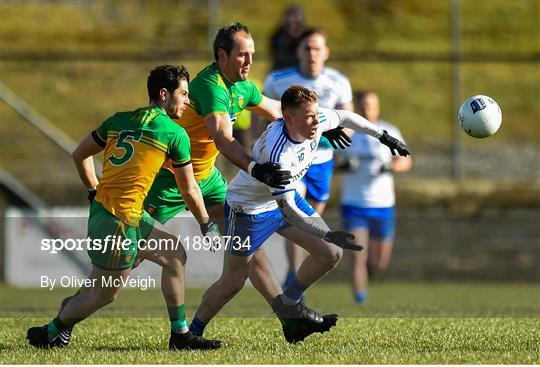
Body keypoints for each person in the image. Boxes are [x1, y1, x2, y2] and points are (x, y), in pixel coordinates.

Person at [143, 24, 349, 342]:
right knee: (120, 265)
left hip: (208, 180)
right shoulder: (211, 87)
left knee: (247, 258)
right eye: (242, 54)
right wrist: (257, 169)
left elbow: (280, 110)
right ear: (222, 56)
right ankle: (63, 320)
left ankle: (287, 318)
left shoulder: (243, 87)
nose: (249, 61)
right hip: (169, 180)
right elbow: (224, 140)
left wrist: (318, 119)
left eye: (252, 54)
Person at [187, 85, 409, 344]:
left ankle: (289, 303)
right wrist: (327, 233)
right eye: (308, 117)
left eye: (316, 114)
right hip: (249, 211)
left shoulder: (314, 120)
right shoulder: (278, 154)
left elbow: (347, 117)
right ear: (288, 119)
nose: (316, 121)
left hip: (285, 200)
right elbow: (289, 211)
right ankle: (190, 333)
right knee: (233, 281)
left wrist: (382, 136)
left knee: (331, 253)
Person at [26, 65, 222, 351]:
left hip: (125, 215)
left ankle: (180, 335)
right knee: (105, 294)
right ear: (165, 94)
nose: (187, 101)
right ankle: (51, 331)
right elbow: (189, 189)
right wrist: (206, 222)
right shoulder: (174, 133)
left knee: (175, 256)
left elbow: (79, 154)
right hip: (119, 221)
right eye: (183, 94)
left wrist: (94, 190)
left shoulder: (118, 120)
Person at [263, 28, 354, 288]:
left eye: (317, 48)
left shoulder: (339, 82)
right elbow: (263, 118)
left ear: (326, 52)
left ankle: (299, 276)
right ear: (297, 52)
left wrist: (321, 137)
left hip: (323, 163)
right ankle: (294, 277)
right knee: (298, 217)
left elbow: (347, 124)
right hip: (291, 159)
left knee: (310, 222)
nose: (312, 53)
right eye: (307, 48)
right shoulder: (278, 81)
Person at [339, 91, 413, 304]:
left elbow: (406, 161)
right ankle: (360, 300)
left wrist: (390, 166)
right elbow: (328, 162)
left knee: (380, 262)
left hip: (383, 205)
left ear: (378, 108)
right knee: (357, 256)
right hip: (353, 204)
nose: (367, 110)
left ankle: (368, 277)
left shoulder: (389, 131)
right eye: (363, 106)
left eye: (371, 106)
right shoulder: (347, 133)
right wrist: (342, 165)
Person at [269, 5, 306, 70]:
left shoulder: (306, 36)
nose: (294, 19)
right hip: (281, 68)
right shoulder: (278, 34)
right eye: (292, 16)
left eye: (296, 17)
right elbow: (274, 53)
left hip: (300, 70)